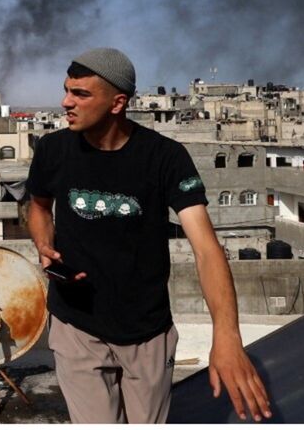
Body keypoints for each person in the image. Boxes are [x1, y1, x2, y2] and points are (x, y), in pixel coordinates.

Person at [25, 47, 271, 423]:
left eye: (81, 94)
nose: (65, 102)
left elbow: (205, 248)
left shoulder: (165, 158)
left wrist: (227, 335)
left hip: (146, 332)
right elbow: (39, 207)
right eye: (66, 90)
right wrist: (44, 244)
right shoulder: (52, 149)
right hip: (76, 325)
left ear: (117, 102)